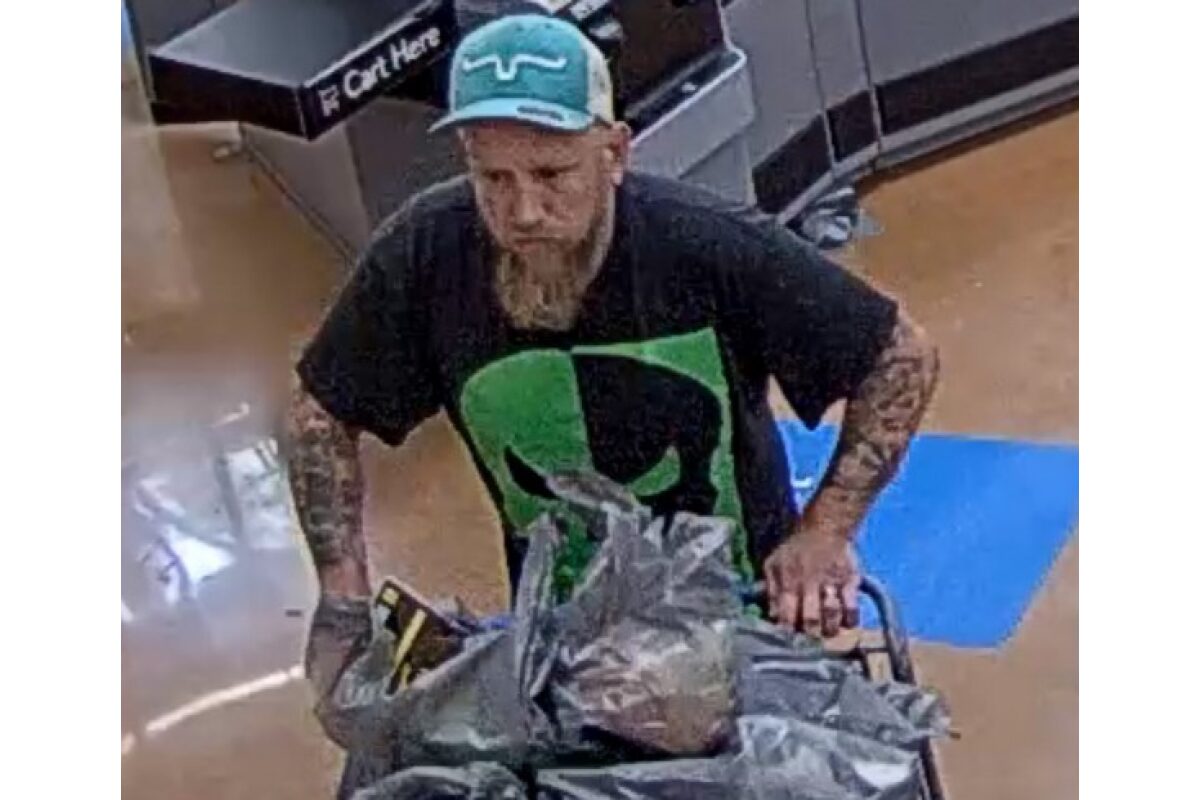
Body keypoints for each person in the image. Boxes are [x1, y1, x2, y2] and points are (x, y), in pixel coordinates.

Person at [287, 13, 939, 721]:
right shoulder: (425, 255)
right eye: (492, 178)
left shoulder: (705, 247)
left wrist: (825, 532)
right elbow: (323, 409)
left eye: (552, 174)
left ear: (615, 153)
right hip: (565, 630)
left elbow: (900, 356)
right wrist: (342, 593)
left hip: (740, 617)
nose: (523, 210)